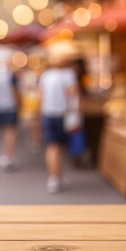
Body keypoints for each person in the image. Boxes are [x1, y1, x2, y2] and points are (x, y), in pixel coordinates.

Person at [39, 55, 79, 194]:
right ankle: (56, 177)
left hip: (47, 113)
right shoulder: (68, 74)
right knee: (59, 146)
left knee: (52, 146)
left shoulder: (45, 75)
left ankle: (54, 177)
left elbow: (41, 95)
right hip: (62, 114)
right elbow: (72, 94)